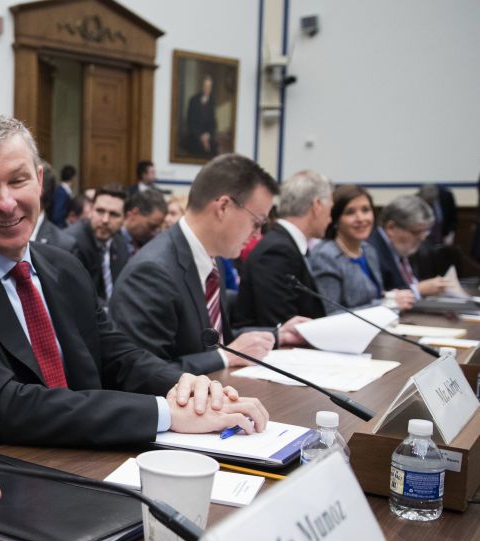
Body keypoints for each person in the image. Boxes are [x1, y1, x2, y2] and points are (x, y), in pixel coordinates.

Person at [0, 113, 268, 452]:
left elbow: (119, 356)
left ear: (39, 180)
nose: (6, 203)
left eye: (18, 180)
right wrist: (164, 413)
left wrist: (189, 387)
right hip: (12, 473)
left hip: (97, 455)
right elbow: (7, 407)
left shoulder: (63, 265)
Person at [110, 154, 307, 375]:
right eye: (257, 222)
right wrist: (224, 356)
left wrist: (275, 334)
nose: (257, 234)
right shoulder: (152, 272)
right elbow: (140, 373)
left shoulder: (212, 260)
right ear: (223, 207)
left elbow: (211, 340)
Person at [236, 170, 331, 327]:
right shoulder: (277, 251)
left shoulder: (286, 244)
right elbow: (281, 324)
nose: (330, 218)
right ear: (317, 205)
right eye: (330, 208)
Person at [309, 185, 415, 314]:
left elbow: (371, 299)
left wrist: (390, 297)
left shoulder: (368, 250)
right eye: (350, 212)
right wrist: (385, 305)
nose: (361, 219)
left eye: (365, 210)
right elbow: (330, 313)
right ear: (336, 220)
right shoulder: (325, 256)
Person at [369, 195, 446, 298]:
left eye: (425, 232)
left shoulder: (403, 248)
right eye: (417, 232)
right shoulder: (371, 252)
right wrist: (418, 289)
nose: (422, 238)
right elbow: (378, 297)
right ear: (391, 227)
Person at [70, 184, 129, 303]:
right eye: (100, 211)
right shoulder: (71, 243)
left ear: (125, 218)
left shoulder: (120, 242)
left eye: (114, 214)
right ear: (91, 210)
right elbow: (78, 296)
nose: (105, 220)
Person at [118, 187, 168, 254]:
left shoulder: (151, 242)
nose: (155, 233)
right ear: (134, 213)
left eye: (159, 227)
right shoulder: (110, 241)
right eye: (152, 226)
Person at [186, 75, 218, 158]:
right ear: (202, 87)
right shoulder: (193, 100)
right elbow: (190, 121)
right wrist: (200, 136)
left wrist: (208, 135)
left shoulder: (212, 101)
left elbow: (213, 123)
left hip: (208, 136)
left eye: (209, 87)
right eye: (206, 86)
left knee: (213, 152)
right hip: (195, 136)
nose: (207, 89)